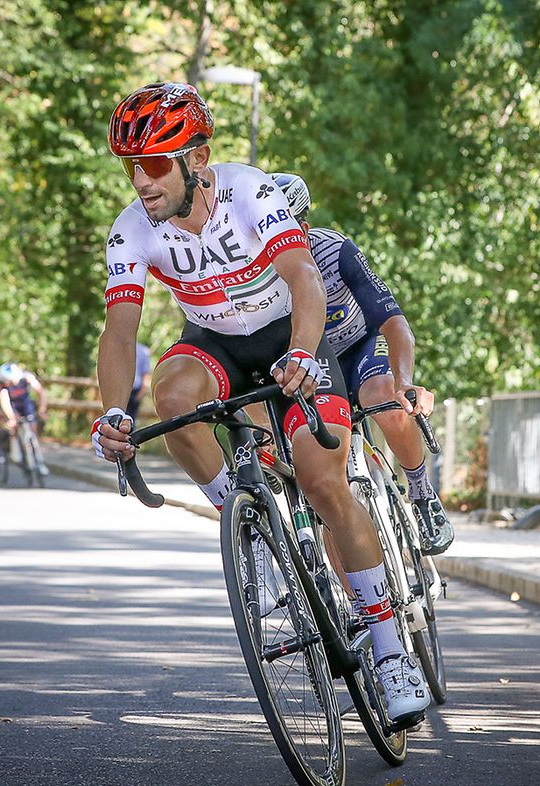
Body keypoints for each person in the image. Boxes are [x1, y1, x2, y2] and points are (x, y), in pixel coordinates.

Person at [91, 82, 428, 725]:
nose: (141, 181)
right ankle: (252, 530)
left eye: (155, 164)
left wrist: (303, 353)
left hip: (289, 336)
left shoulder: (250, 191)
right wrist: (114, 412)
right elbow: (120, 329)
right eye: (131, 167)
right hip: (214, 341)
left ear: (197, 159)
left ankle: (389, 648)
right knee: (172, 402)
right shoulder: (132, 230)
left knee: (324, 484)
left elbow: (304, 277)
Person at [271, 172, 454, 555]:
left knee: (382, 397)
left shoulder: (334, 251)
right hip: (313, 371)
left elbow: (394, 323)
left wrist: (405, 381)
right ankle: (359, 606)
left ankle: (422, 495)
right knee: (326, 492)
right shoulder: (257, 278)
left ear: (302, 227)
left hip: (358, 349)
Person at [0, 362, 49, 475]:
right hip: (13, 405)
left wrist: (42, 409)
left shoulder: (27, 377)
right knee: (13, 425)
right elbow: (4, 401)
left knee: (33, 428)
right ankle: (15, 447)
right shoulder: (3, 385)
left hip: (26, 404)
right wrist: (11, 417)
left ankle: (39, 460)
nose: (9, 383)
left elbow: (41, 392)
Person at [127, 342, 152, 419]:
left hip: (133, 390)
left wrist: (141, 392)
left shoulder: (143, 350)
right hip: (131, 389)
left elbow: (146, 374)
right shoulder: (143, 350)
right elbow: (146, 373)